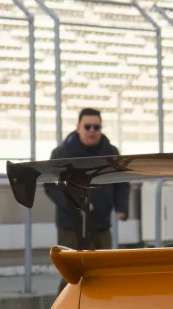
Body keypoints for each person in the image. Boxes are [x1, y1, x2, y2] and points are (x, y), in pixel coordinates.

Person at [46, 108, 129, 251]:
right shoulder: (62, 153)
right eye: (87, 126)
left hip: (100, 225)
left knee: (102, 269)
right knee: (72, 270)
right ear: (78, 127)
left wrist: (121, 207)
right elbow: (51, 186)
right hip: (71, 226)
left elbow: (121, 182)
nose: (92, 131)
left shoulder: (111, 153)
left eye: (96, 127)